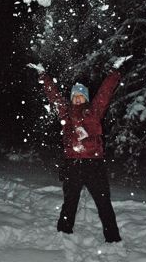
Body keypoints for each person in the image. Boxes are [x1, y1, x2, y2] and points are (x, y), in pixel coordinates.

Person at [27, 57, 130, 243]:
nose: (78, 98)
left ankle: (113, 239)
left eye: (81, 95)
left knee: (104, 203)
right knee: (70, 203)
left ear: (86, 98)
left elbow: (105, 92)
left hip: (94, 165)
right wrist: (43, 75)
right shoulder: (65, 112)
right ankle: (63, 235)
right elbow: (54, 96)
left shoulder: (94, 111)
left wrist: (115, 70)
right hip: (72, 165)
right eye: (75, 95)